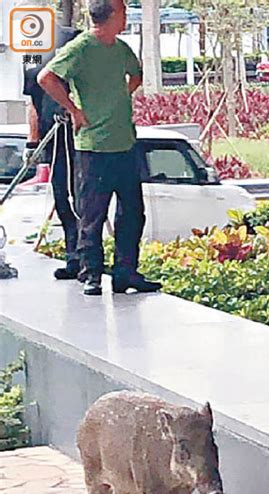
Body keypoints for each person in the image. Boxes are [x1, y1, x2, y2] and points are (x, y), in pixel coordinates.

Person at [38, 0, 160, 296]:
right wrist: (74, 110)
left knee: (132, 212)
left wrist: (120, 97)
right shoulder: (80, 49)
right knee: (92, 213)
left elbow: (136, 74)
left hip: (125, 143)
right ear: (113, 15)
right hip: (93, 146)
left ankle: (125, 273)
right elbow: (47, 77)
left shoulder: (121, 49)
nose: (126, 17)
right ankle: (90, 273)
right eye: (124, 12)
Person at [23, 20, 81, 280]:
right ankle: (73, 257)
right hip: (52, 138)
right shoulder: (31, 51)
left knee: (82, 196)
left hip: (79, 134)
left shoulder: (74, 40)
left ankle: (88, 257)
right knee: (61, 196)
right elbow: (33, 102)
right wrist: (32, 144)